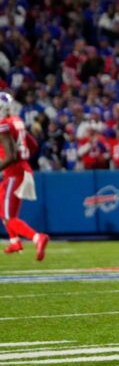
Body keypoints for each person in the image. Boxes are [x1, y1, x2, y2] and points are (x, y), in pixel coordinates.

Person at [0, 93, 50, 261]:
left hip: (14, 172)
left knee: (9, 216)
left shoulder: (4, 124)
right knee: (3, 209)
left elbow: (11, 156)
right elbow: (33, 145)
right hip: (22, 169)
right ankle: (15, 241)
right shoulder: (16, 120)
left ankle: (37, 237)